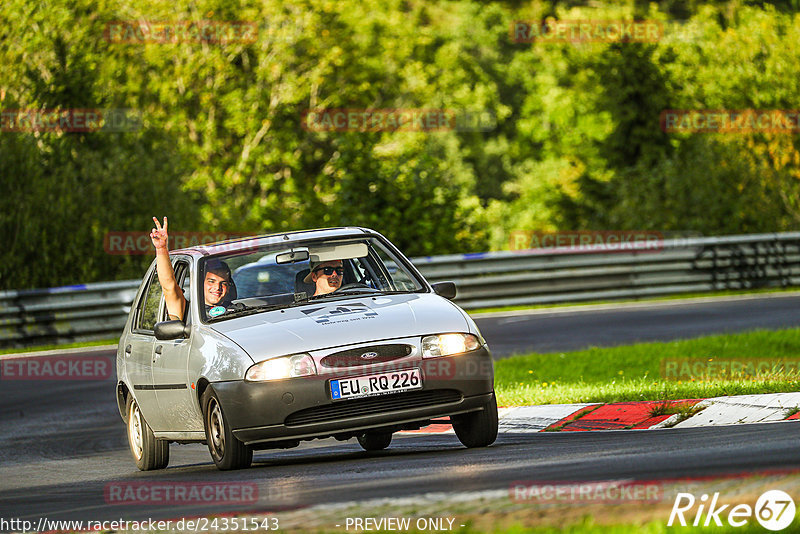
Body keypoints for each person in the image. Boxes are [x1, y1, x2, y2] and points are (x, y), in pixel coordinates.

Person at [149, 216, 234, 321]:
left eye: (223, 283)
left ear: (229, 287)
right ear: (200, 283)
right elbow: (169, 287)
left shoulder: (239, 310)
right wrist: (161, 248)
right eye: (211, 281)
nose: (217, 287)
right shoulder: (187, 312)